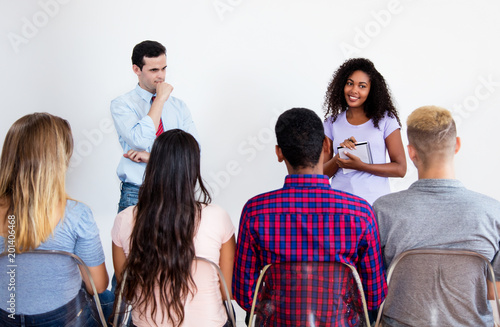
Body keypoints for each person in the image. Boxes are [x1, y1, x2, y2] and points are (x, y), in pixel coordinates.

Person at [233, 108, 387, 325]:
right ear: (326, 145)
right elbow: (373, 297)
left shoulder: (255, 211)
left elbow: (245, 296)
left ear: (279, 153)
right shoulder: (360, 212)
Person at [373, 105, 500, 326]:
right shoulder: (493, 212)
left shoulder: (383, 210)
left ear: (411, 152)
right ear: (457, 145)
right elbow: (496, 290)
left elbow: (374, 284)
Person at [111, 129, 236, 327]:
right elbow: (226, 291)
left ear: (153, 165)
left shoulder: (124, 219)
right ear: (193, 168)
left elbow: (127, 291)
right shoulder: (218, 216)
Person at [0, 113, 113, 326]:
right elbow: (96, 286)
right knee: (108, 298)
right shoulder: (78, 214)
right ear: (58, 160)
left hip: (6, 317)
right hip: (63, 319)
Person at [111, 40, 199, 213]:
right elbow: (140, 141)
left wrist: (152, 158)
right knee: (131, 241)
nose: (161, 76)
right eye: (153, 70)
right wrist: (159, 100)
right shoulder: (122, 105)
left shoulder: (179, 107)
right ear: (136, 70)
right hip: (137, 192)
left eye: (164, 68)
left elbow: (192, 153)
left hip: (175, 190)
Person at [323, 58, 406, 204]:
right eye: (350, 83)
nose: (354, 90)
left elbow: (400, 169)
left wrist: (362, 166)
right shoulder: (331, 123)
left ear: (371, 90)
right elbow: (320, 175)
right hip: (339, 205)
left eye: (362, 86)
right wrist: (339, 157)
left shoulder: (386, 120)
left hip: (375, 204)